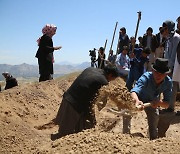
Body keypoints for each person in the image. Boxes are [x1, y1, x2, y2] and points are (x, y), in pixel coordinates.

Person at [51, 64, 119, 140]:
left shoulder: (90, 69)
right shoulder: (103, 81)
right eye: (113, 79)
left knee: (85, 126)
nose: (111, 81)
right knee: (65, 133)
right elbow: (99, 100)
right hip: (74, 103)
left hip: (68, 97)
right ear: (110, 75)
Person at [130, 58, 172, 140]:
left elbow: (167, 104)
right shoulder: (146, 77)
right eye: (156, 72)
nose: (158, 75)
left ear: (166, 74)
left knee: (154, 120)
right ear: (152, 71)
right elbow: (134, 91)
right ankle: (125, 135)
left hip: (152, 102)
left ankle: (152, 140)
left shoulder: (168, 82)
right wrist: (137, 101)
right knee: (127, 111)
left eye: (161, 73)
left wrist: (158, 103)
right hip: (138, 99)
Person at [161, 20, 180, 112]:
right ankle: (169, 105)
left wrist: (170, 67)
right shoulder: (169, 38)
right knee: (170, 86)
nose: (164, 29)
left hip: (175, 66)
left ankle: (170, 107)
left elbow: (174, 54)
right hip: (168, 65)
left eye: (165, 27)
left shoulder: (176, 38)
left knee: (173, 86)